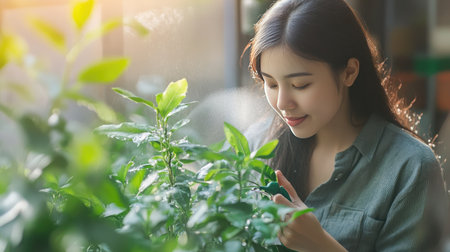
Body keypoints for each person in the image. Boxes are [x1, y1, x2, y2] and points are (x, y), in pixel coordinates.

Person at [244, 0, 449, 251]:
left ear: (349, 72)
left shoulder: (410, 168)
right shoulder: (256, 146)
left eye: (300, 85)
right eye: (271, 84)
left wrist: (321, 246)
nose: (283, 103)